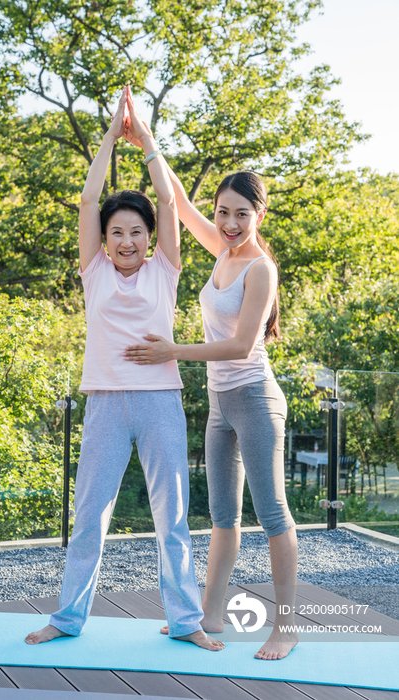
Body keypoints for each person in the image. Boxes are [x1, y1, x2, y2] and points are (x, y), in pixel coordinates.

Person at [25, 87, 224, 651]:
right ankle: (66, 618)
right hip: (107, 402)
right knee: (90, 516)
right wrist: (112, 135)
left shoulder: (166, 268)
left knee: (174, 519)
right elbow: (90, 202)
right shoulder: (96, 272)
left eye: (137, 230)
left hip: (160, 398)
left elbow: (167, 201)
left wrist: (148, 139)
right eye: (119, 233)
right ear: (106, 242)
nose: (129, 239)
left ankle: (186, 623)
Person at [124, 164, 299, 660]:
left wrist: (172, 351)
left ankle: (286, 627)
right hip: (221, 405)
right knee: (223, 517)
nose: (229, 223)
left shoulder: (259, 267)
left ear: (259, 214)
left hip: (255, 400)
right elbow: (176, 199)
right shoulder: (223, 250)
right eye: (223, 212)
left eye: (241, 214)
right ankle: (211, 612)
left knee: (273, 516)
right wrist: (148, 143)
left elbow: (243, 346)